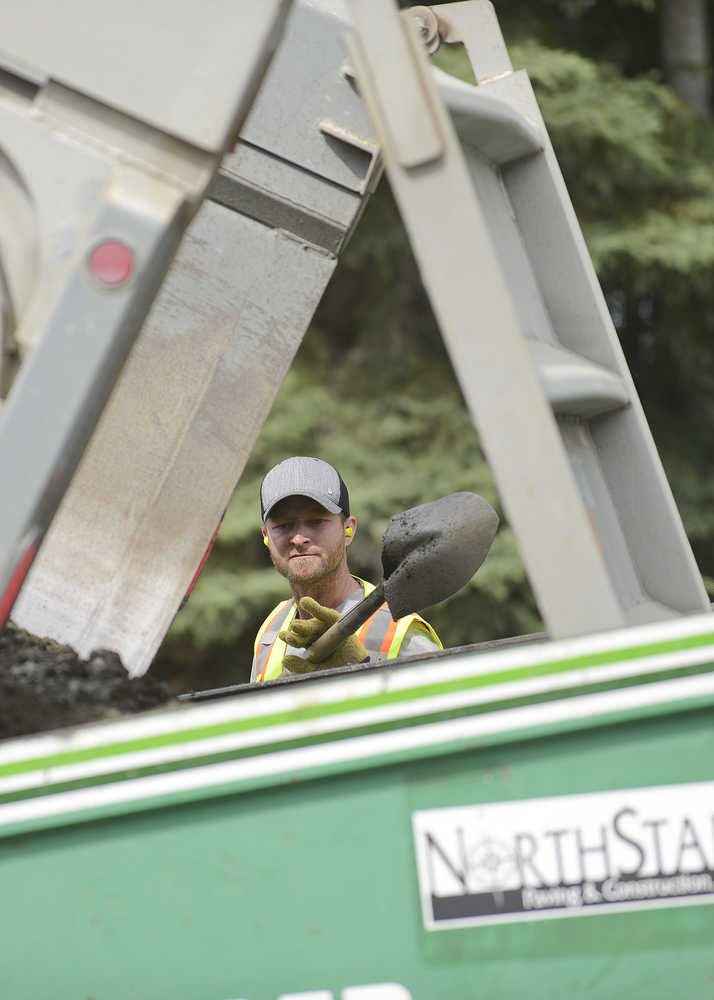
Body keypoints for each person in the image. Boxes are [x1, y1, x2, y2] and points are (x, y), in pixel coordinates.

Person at [251, 456, 442, 683]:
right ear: (266, 537)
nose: (299, 538)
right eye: (283, 525)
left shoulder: (400, 632)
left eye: (316, 521)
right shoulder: (271, 630)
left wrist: (362, 671)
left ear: (348, 529)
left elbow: (445, 715)